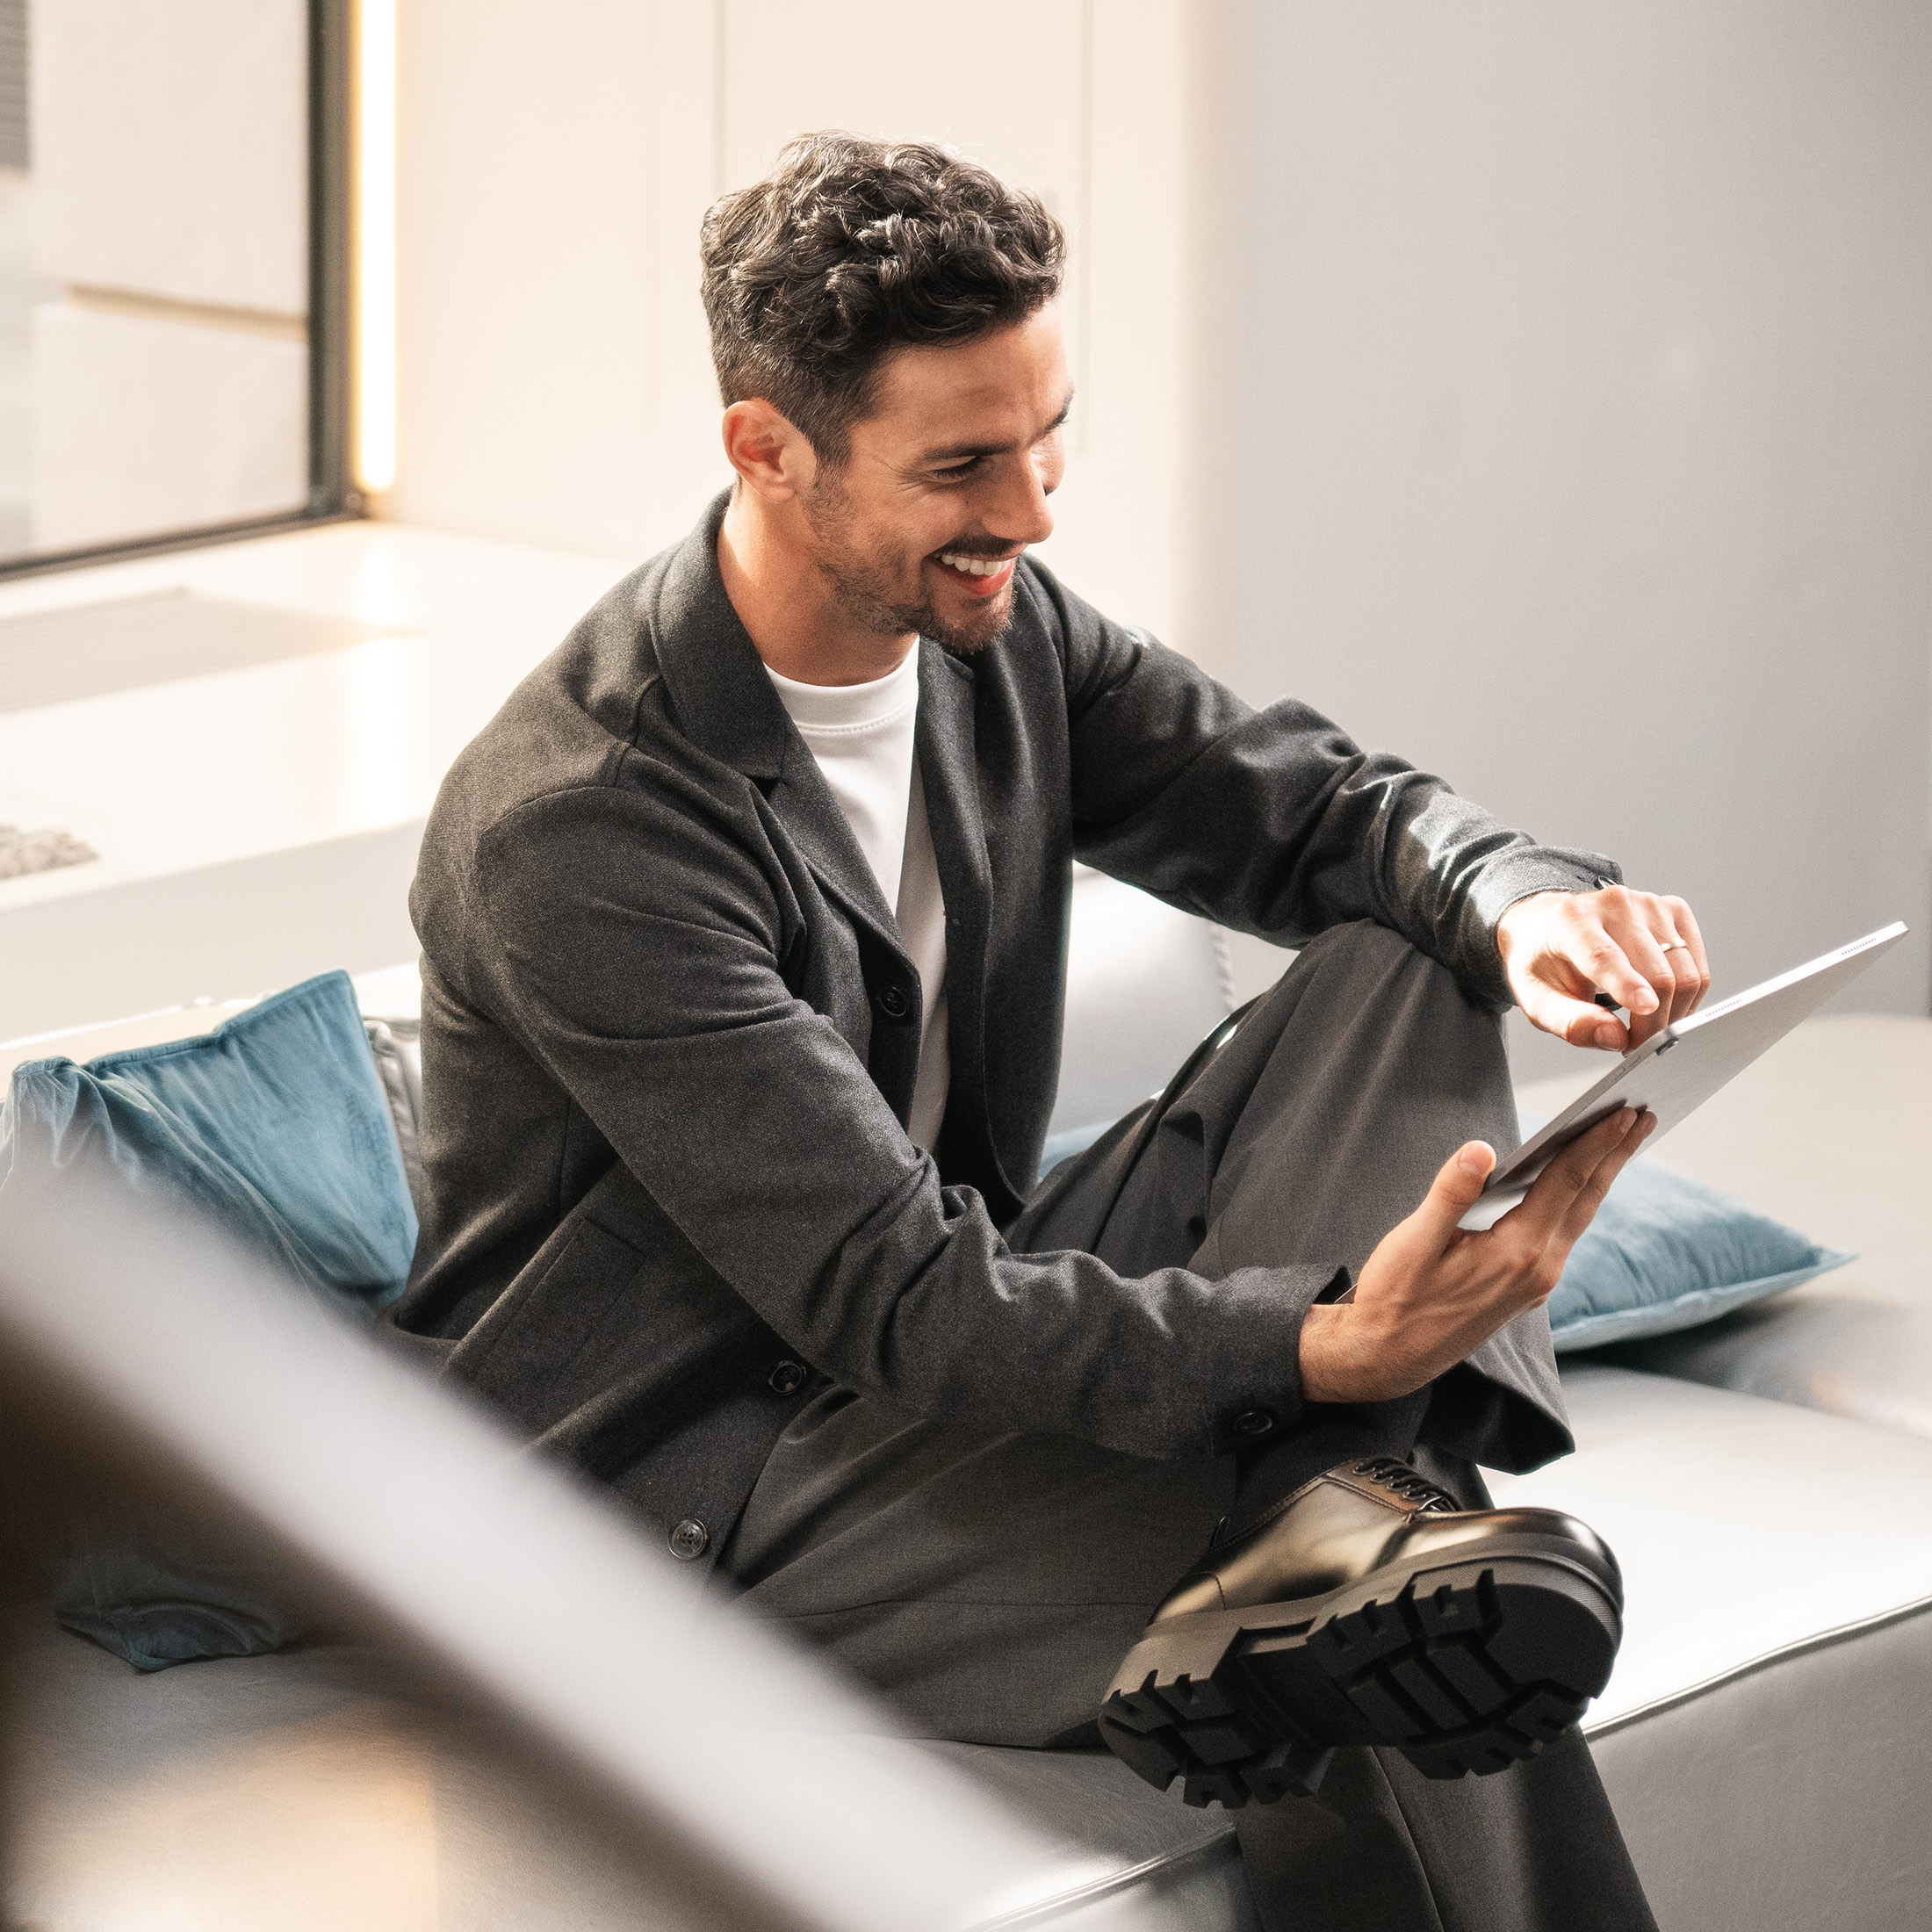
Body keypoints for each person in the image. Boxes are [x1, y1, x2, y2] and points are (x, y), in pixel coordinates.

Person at [392, 132, 1712, 1929]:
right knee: (1379, 1634)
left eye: (1044, 433)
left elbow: (1316, 813)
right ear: (765, 449)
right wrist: (1323, 1345)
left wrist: (1515, 897)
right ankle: (1335, 1525)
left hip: (928, 1367)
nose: (1029, 509)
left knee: (1409, 960)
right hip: (694, 1498)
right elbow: (896, 1294)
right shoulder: (592, 824)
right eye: (959, 464)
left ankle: (1333, 1522)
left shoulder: (987, 631)